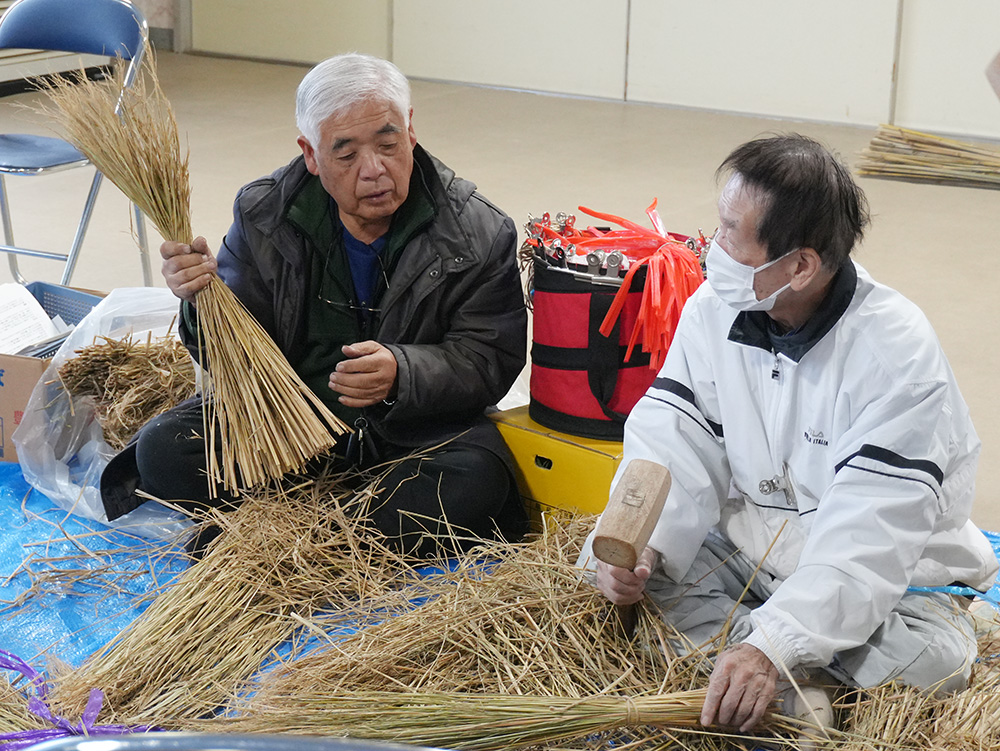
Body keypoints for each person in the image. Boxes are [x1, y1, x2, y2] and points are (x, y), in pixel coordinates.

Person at [579, 134, 998, 735]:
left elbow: (869, 537)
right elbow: (675, 437)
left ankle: (759, 674)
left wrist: (773, 645)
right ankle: (798, 692)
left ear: (800, 266)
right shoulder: (714, 309)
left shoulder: (895, 356)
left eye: (731, 236)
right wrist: (645, 546)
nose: (713, 248)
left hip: (897, 580)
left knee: (936, 662)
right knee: (612, 579)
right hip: (756, 555)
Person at [100, 53, 529, 559]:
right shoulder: (265, 214)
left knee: (475, 479)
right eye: (346, 154)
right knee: (166, 448)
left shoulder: (476, 231)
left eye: (388, 144)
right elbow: (234, 357)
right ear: (310, 153)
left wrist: (402, 372)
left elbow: (490, 358)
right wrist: (201, 301)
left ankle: (306, 541)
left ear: (411, 131)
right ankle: (342, 534)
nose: (374, 170)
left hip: (413, 434)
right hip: (292, 427)